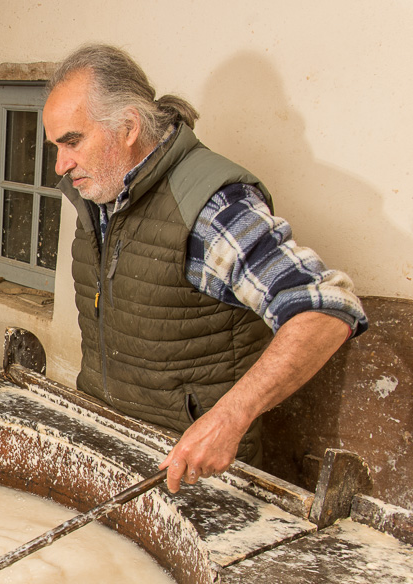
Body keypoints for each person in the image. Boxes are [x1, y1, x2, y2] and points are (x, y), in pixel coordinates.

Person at [41, 44, 368, 493]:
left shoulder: (210, 207)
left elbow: (326, 312)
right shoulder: (99, 195)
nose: (60, 164)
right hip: (114, 447)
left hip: (195, 474)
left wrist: (229, 419)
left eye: (72, 141)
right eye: (55, 145)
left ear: (129, 126)